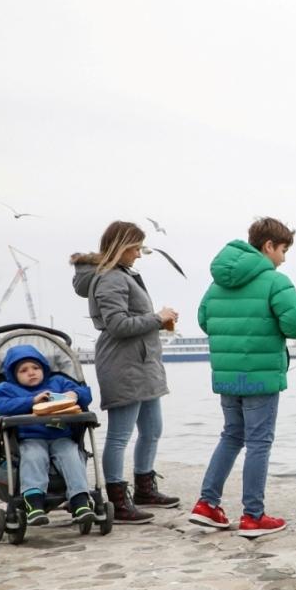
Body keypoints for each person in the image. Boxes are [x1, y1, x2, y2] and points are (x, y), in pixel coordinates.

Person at [188, 217, 296, 538]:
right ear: (269, 246)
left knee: (232, 435)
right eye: (283, 250)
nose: (283, 258)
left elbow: (204, 319)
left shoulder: (217, 283)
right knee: (259, 442)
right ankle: (253, 515)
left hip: (228, 376)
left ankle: (207, 504)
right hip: (261, 376)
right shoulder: (274, 281)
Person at [71, 222, 181, 523]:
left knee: (152, 430)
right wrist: (157, 318)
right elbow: (118, 325)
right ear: (120, 247)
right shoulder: (110, 278)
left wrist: (157, 320)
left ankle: (145, 489)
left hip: (142, 364)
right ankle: (118, 501)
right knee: (120, 435)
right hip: (123, 364)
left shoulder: (121, 274)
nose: (139, 254)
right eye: (135, 248)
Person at [0, 344, 96, 527]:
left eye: (36, 368)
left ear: (44, 368)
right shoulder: (7, 388)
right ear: (14, 374)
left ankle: (80, 501)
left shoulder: (58, 382)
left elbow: (86, 394)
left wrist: (75, 394)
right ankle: (34, 503)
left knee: (71, 454)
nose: (31, 373)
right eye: (23, 370)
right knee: (33, 456)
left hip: (61, 436)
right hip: (29, 437)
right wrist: (31, 401)